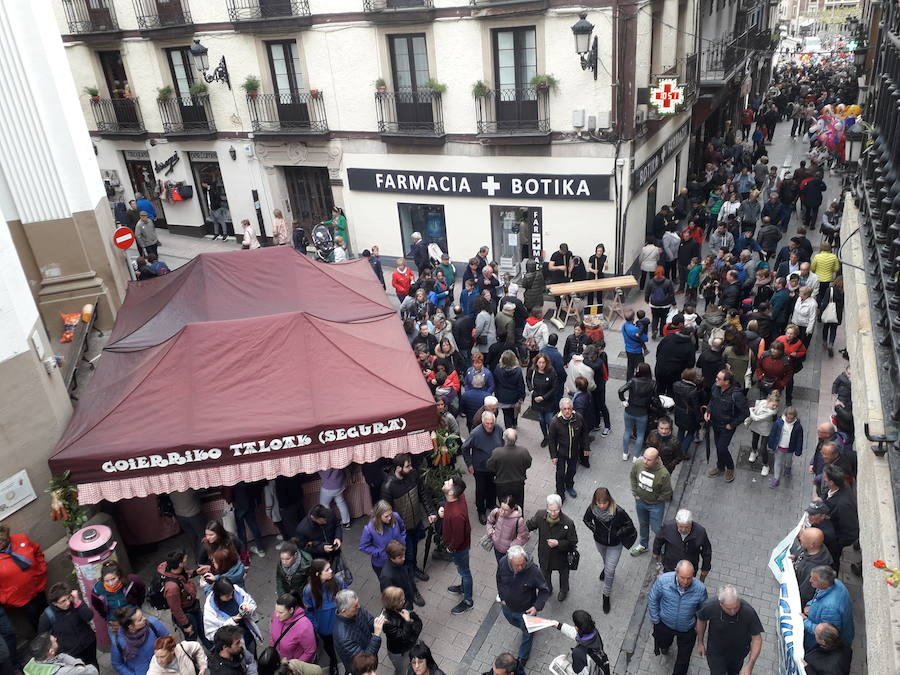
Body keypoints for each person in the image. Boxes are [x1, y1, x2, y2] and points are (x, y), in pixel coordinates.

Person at [647, 561, 708, 675]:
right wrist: (655, 620)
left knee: (683, 660)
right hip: (665, 624)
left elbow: (702, 612)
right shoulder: (663, 581)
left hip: (687, 629)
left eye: (689, 578)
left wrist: (699, 636)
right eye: (682, 577)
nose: (685, 582)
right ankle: (664, 646)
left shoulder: (700, 589)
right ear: (676, 573)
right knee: (663, 642)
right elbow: (653, 599)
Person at [496, 546, 550, 670]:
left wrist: (536, 607)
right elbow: (499, 579)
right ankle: (530, 629)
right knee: (513, 622)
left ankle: (523, 656)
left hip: (526, 611)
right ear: (510, 562)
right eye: (517, 565)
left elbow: (544, 590)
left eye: (522, 564)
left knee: (527, 633)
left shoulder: (533, 571)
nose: (520, 568)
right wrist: (502, 596)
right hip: (507, 607)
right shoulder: (503, 563)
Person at [582, 487, 636, 614]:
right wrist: (594, 529)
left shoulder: (618, 511)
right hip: (600, 542)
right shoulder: (592, 509)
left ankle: (606, 595)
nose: (601, 506)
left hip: (615, 545)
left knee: (610, 570)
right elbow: (586, 520)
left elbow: (630, 525)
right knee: (605, 560)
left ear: (609, 501)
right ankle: (605, 568)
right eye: (598, 503)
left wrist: (617, 533)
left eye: (604, 503)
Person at [695, 586, 763, 675]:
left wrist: (750, 665)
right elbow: (701, 619)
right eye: (729, 609)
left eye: (736, 607)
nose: (733, 612)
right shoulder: (710, 606)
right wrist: (700, 642)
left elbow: (757, 639)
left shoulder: (748, 611)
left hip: (738, 654)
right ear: (721, 604)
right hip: (716, 653)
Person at [526, 494, 578, 601]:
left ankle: (564, 590)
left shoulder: (568, 523)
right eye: (550, 510)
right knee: (545, 574)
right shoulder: (540, 516)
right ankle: (548, 589)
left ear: (560, 508)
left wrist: (558, 543)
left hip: (561, 557)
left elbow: (573, 542)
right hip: (545, 554)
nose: (553, 513)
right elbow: (530, 525)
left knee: (563, 575)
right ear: (547, 508)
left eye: (556, 510)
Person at [302, 559, 345, 675]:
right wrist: (316, 626)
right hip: (324, 628)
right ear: (318, 574)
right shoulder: (309, 591)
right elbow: (308, 611)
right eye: (327, 570)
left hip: (340, 623)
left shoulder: (337, 581)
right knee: (329, 646)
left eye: (330, 568)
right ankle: (333, 661)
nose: (331, 571)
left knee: (343, 643)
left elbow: (346, 595)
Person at [705, 370, 749, 483]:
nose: (716, 380)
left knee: (721, 447)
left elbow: (745, 413)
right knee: (719, 446)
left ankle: (730, 468)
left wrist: (732, 424)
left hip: (727, 426)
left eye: (719, 379)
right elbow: (712, 400)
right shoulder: (715, 387)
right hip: (715, 423)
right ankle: (720, 467)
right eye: (717, 377)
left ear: (727, 382)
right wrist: (708, 410)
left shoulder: (736, 395)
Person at [38, 583, 97, 667]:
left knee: (94, 666)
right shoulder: (47, 616)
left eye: (69, 597)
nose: (68, 602)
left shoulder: (75, 602)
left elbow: (89, 617)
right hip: (71, 653)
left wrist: (77, 602)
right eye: (63, 601)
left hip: (88, 643)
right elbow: (43, 637)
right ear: (54, 603)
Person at [461, 410, 503, 523]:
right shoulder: (475, 433)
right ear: (482, 422)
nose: (489, 426)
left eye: (491, 423)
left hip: (494, 466)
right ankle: (481, 511)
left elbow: (502, 444)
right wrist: (469, 464)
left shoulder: (498, 429)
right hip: (480, 468)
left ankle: (491, 504)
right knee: (481, 489)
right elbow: (464, 448)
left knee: (493, 486)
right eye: (487, 423)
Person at [629, 448, 672, 556]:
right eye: (644, 458)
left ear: (657, 460)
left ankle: (661, 546)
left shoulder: (663, 473)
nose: (645, 462)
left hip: (656, 506)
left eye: (649, 460)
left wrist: (656, 500)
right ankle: (643, 545)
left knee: (657, 528)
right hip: (640, 502)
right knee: (643, 524)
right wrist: (635, 493)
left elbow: (667, 492)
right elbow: (633, 477)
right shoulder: (638, 463)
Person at [203, 578, 260, 659]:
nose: (231, 597)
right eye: (227, 596)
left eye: (232, 594)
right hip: (233, 647)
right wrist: (232, 621)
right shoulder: (210, 610)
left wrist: (247, 607)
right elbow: (212, 635)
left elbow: (251, 603)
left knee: (253, 657)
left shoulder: (236, 590)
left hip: (248, 636)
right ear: (218, 595)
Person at [440, 476, 474, 615]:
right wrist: (442, 509)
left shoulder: (456, 515)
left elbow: (459, 537)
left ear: (452, 492)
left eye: (448, 483)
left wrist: (450, 548)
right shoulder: (457, 498)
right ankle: (463, 588)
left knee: (464, 571)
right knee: (462, 570)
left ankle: (468, 601)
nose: (445, 482)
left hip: (459, 548)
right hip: (460, 546)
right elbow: (447, 504)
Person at [157, 550, 203, 645]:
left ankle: (210, 646)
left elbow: (183, 576)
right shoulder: (172, 588)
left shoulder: (174, 570)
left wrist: (195, 572)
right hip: (187, 614)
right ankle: (193, 656)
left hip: (192, 606)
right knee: (191, 638)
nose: (187, 560)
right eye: (185, 559)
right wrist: (186, 625)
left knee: (202, 628)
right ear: (180, 564)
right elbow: (176, 609)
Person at [547, 398, 590, 500]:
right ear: (561, 409)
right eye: (565, 409)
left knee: (572, 470)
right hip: (561, 453)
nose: (567, 411)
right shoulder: (555, 421)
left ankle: (569, 486)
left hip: (574, 452)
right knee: (560, 474)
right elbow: (551, 440)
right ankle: (560, 493)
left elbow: (584, 433)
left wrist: (586, 447)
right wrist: (553, 455)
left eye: (569, 408)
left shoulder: (578, 418)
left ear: (572, 409)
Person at [803, 566, 854, 650]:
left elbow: (825, 633)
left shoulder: (830, 609)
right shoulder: (835, 583)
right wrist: (810, 605)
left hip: (819, 643)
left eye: (814, 579)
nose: (810, 580)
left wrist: (805, 621)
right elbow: (818, 595)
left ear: (824, 583)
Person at [334, 590, 384, 672]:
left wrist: (378, 622)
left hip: (370, 653)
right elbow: (364, 660)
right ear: (344, 611)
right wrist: (376, 636)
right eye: (355, 605)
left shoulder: (356, 610)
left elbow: (369, 621)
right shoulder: (343, 638)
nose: (359, 606)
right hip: (361, 669)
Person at [652, 510, 711, 579]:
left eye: (687, 527)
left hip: (688, 568)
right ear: (676, 523)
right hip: (670, 566)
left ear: (691, 524)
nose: (683, 530)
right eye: (681, 527)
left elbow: (706, 551)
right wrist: (656, 552)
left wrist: (705, 568)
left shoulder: (700, 532)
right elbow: (659, 539)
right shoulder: (668, 527)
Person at [111, 606, 170, 675]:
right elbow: (117, 664)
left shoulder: (153, 624)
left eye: (142, 616)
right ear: (131, 627)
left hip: (163, 669)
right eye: (140, 619)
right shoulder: (118, 641)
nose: (145, 619)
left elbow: (169, 640)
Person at [820, 465, 859, 569]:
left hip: (833, 542)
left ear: (831, 482)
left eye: (826, 478)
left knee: (832, 563)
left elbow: (851, 533)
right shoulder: (838, 487)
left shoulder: (843, 505)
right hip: (829, 535)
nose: (823, 478)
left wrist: (836, 543)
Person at [550, 610, 611, 675]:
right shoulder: (594, 632)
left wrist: (563, 665)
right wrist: (558, 625)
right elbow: (575, 634)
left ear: (577, 628)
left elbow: (577, 672)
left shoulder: (578, 652)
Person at [89, 561, 146, 629]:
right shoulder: (97, 590)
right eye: (107, 581)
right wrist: (107, 617)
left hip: (133, 617)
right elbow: (97, 606)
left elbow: (141, 590)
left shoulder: (131, 581)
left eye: (113, 579)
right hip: (114, 621)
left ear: (119, 576)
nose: (111, 583)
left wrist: (138, 605)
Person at [618, 362, 656, 461]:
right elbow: (655, 399)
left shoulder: (633, 381)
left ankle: (625, 453)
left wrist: (623, 400)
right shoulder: (652, 383)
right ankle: (637, 456)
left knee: (627, 431)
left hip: (629, 410)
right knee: (640, 434)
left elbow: (620, 390)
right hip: (642, 412)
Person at [486, 429, 532, 511]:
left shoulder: (497, 452)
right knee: (519, 505)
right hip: (518, 483)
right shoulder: (523, 451)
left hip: (502, 484)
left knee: (504, 507)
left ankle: (506, 521)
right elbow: (528, 464)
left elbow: (489, 466)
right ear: (516, 439)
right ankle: (518, 521)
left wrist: (498, 471)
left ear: (504, 438)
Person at [359, 501, 406, 579]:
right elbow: (363, 547)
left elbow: (403, 529)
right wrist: (379, 552)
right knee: (388, 584)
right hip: (382, 563)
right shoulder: (369, 529)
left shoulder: (396, 517)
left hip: (398, 558)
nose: (390, 518)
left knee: (400, 578)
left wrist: (402, 541)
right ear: (378, 516)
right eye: (386, 516)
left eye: (390, 514)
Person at [381, 587, 422, 674]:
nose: (404, 601)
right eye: (401, 601)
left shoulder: (404, 605)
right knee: (402, 670)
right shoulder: (387, 621)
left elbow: (418, 622)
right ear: (393, 604)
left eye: (403, 598)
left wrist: (413, 633)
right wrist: (408, 621)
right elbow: (403, 638)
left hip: (411, 644)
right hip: (399, 652)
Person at [269, 592, 316, 664]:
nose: (276, 615)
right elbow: (273, 636)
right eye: (276, 611)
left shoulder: (305, 626)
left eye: (281, 612)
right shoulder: (276, 616)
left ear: (291, 610)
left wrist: (292, 666)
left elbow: (310, 651)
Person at [791, 527, 833, 605]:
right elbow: (802, 554)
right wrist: (796, 557)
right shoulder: (810, 548)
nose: (800, 539)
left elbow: (805, 591)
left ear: (812, 545)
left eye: (803, 539)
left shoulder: (814, 570)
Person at [23, 634, 98, 675]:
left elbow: (61, 656)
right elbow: (93, 671)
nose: (56, 638)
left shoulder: (32, 664)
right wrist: (80, 665)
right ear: (51, 651)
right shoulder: (62, 672)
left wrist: (76, 663)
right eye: (53, 641)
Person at [766, 406, 803, 488]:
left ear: (795, 417)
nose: (789, 420)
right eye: (788, 418)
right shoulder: (779, 423)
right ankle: (776, 478)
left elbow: (799, 439)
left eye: (791, 419)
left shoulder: (798, 427)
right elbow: (773, 434)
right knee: (777, 462)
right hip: (779, 447)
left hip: (790, 448)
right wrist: (771, 444)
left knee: (788, 460)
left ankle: (788, 468)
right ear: (785, 416)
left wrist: (798, 450)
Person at [486, 495, 530, 565]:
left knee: (507, 569)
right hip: (497, 547)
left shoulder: (519, 520)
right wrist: (490, 531)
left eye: (506, 510)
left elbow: (524, 537)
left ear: (512, 509)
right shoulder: (496, 512)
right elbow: (489, 522)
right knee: (500, 565)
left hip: (509, 552)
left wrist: (512, 546)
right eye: (501, 508)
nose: (502, 512)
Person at [746, 391, 780, 476]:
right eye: (773, 405)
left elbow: (756, 418)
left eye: (776, 406)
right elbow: (756, 406)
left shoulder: (771, 412)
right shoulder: (762, 402)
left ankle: (766, 465)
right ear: (768, 401)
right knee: (754, 441)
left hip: (766, 430)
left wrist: (750, 410)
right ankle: (754, 452)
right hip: (756, 427)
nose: (774, 407)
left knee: (763, 448)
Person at [527, 353, 558, 447]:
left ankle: (552, 437)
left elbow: (554, 387)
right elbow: (528, 380)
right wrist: (532, 391)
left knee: (549, 421)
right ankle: (546, 437)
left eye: (543, 362)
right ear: (536, 363)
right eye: (539, 362)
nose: (541, 365)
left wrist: (543, 397)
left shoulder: (551, 372)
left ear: (546, 363)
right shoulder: (532, 371)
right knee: (542, 420)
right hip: (537, 401)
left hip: (548, 401)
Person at [379, 541, 420, 610]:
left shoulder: (401, 563)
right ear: (392, 558)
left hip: (408, 597)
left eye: (403, 555)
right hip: (402, 605)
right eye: (400, 557)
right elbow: (390, 597)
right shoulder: (386, 577)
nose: (403, 558)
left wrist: (414, 590)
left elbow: (409, 578)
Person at [493, 350, 526, 428]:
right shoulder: (518, 371)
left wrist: (496, 394)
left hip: (502, 396)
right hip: (514, 397)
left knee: (506, 414)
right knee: (514, 412)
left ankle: (509, 428)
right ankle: (514, 423)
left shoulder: (498, 368)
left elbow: (496, 382)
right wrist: (521, 397)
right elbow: (521, 386)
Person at [622, 310, 648, 380]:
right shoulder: (635, 329)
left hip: (628, 349)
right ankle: (638, 382)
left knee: (630, 367)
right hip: (636, 351)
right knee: (639, 368)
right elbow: (646, 338)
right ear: (633, 318)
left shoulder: (624, 326)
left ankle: (629, 382)